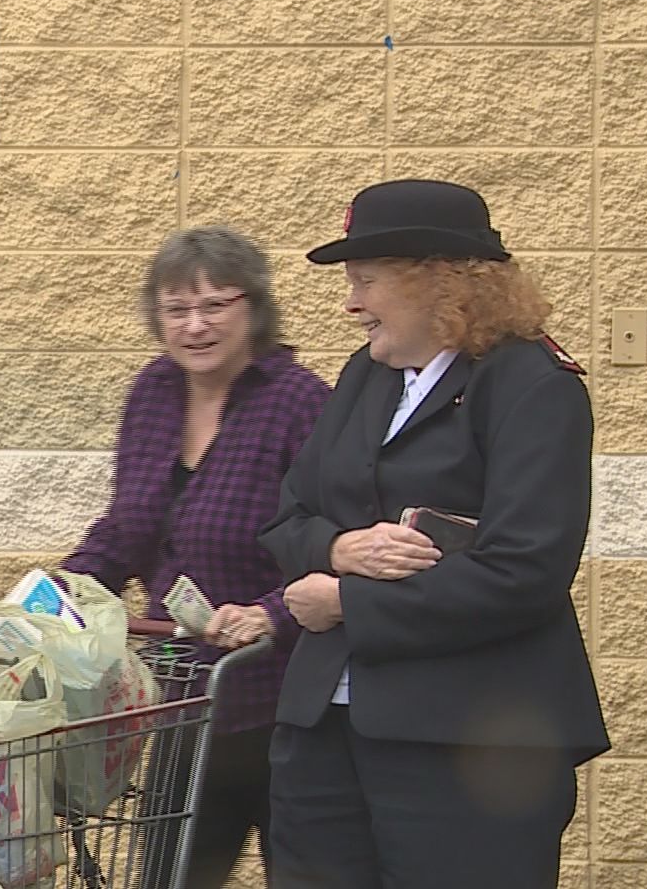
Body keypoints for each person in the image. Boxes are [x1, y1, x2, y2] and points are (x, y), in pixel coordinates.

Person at [261, 180, 609, 889]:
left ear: (443, 279)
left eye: (366, 281)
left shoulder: (533, 385)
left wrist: (346, 603)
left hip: (468, 743)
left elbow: (524, 572)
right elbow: (286, 516)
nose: (349, 303)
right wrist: (337, 549)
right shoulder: (368, 374)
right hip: (325, 728)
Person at [64, 226, 330, 889]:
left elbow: (328, 544)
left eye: (215, 306)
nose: (195, 326)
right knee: (169, 875)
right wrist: (54, 596)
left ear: (254, 308)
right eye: (176, 308)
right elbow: (127, 529)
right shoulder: (154, 390)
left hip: (281, 700)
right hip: (186, 692)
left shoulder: (299, 400)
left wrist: (270, 613)